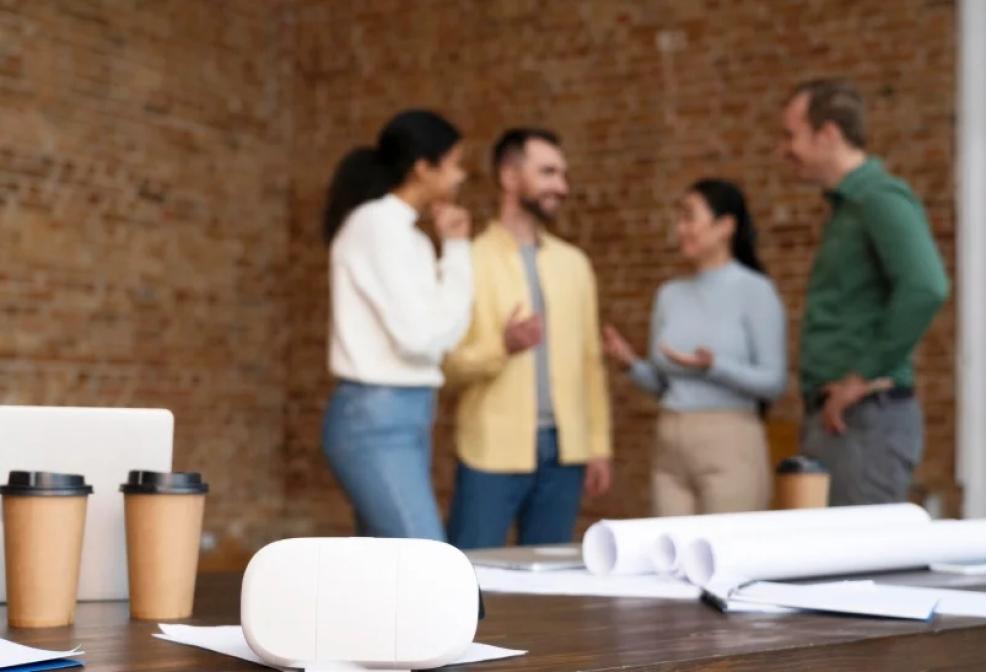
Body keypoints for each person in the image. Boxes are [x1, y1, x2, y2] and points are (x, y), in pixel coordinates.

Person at [780, 78, 949, 505]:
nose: (785, 150)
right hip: (841, 421)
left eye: (791, 135)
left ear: (829, 134)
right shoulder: (848, 207)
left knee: (855, 563)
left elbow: (926, 286)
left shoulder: (879, 198)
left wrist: (859, 377)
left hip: (865, 422)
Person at [443, 128, 612, 549]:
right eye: (548, 172)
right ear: (510, 177)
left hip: (565, 454)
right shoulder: (471, 259)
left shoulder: (576, 264)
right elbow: (447, 364)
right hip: (490, 450)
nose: (562, 186)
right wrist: (504, 347)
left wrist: (597, 446)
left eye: (563, 174)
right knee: (470, 576)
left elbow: (591, 363)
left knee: (550, 589)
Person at [321, 109, 473, 540]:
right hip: (375, 418)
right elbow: (422, 338)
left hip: (407, 413)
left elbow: (439, 333)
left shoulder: (412, 238)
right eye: (455, 162)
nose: (460, 176)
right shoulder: (374, 227)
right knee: (427, 564)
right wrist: (458, 254)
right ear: (423, 167)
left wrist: (456, 248)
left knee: (387, 578)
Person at [604, 179, 786, 515]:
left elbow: (774, 382)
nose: (680, 228)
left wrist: (714, 365)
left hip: (730, 440)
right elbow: (663, 385)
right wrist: (631, 364)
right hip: (670, 445)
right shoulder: (669, 295)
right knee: (670, 558)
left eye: (689, 217)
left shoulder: (756, 291)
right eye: (679, 218)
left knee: (727, 556)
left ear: (725, 226)